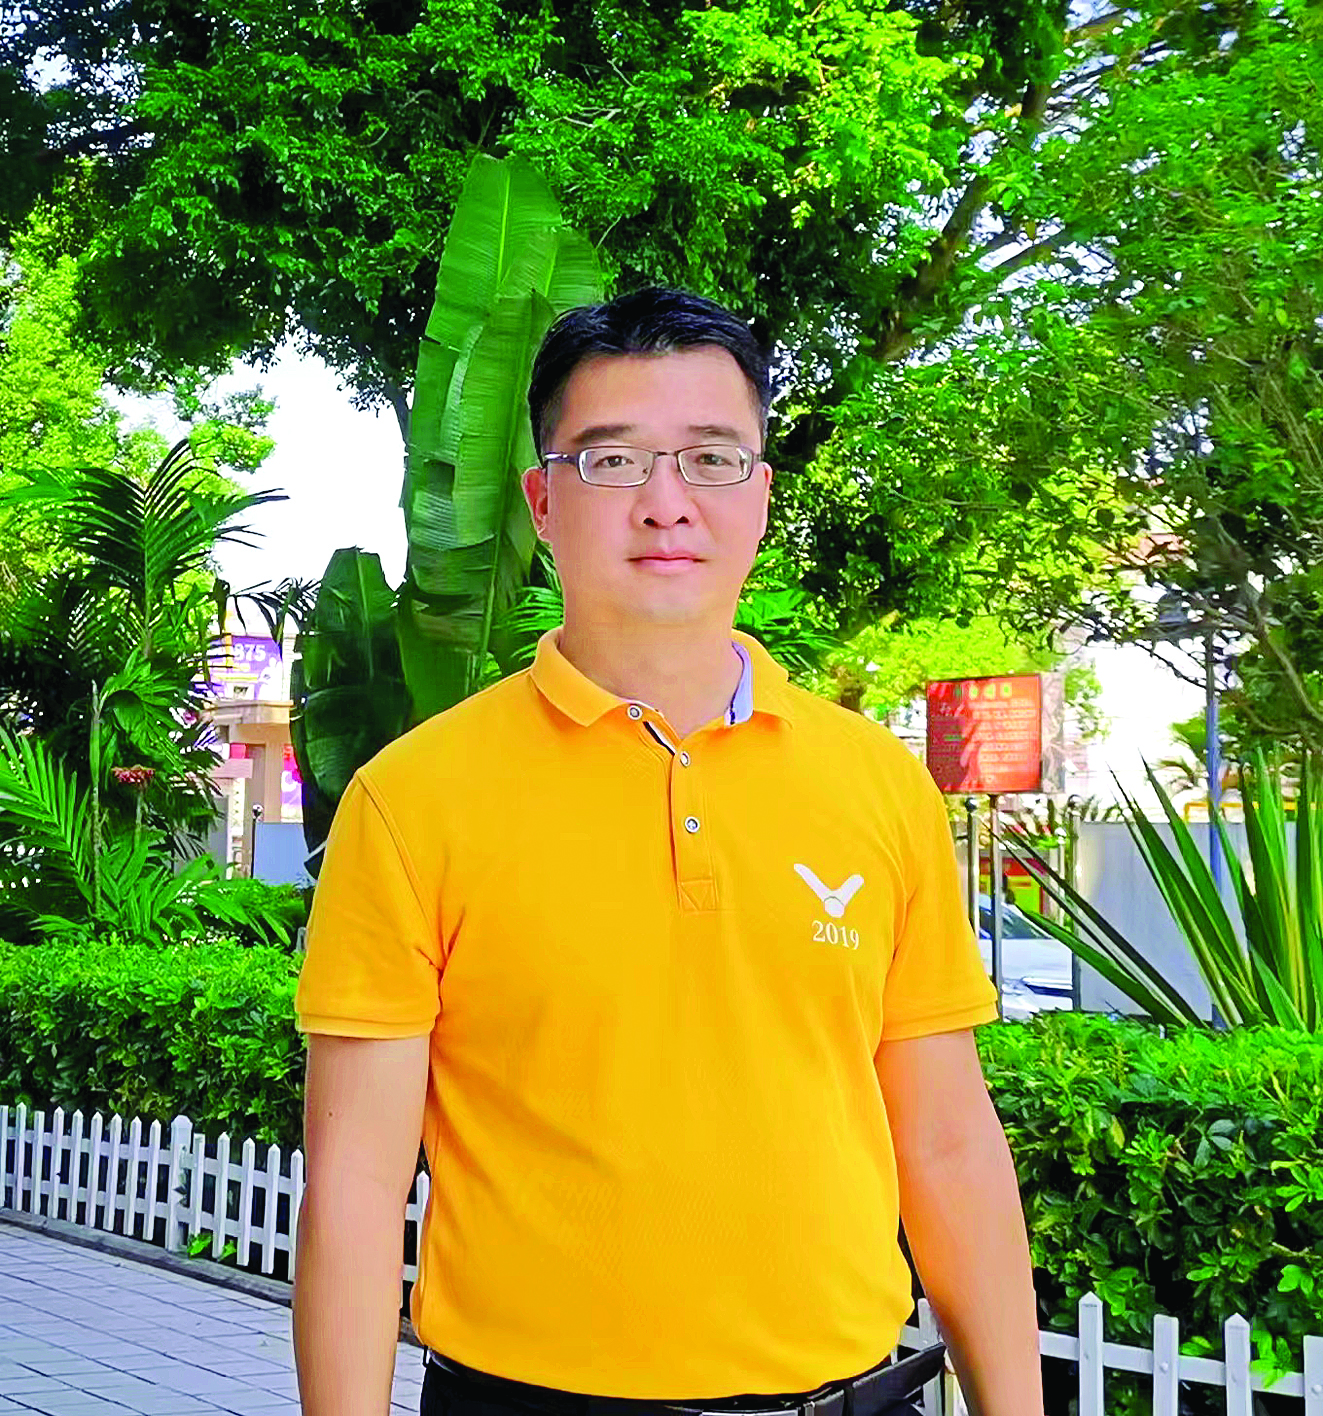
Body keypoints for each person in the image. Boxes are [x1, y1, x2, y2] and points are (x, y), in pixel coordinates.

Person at [291, 288, 1044, 1416]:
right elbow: (354, 1188)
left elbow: (946, 1142)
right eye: (612, 462)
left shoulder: (879, 784)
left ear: (761, 497)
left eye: (710, 458)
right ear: (543, 503)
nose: (665, 503)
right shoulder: (413, 800)